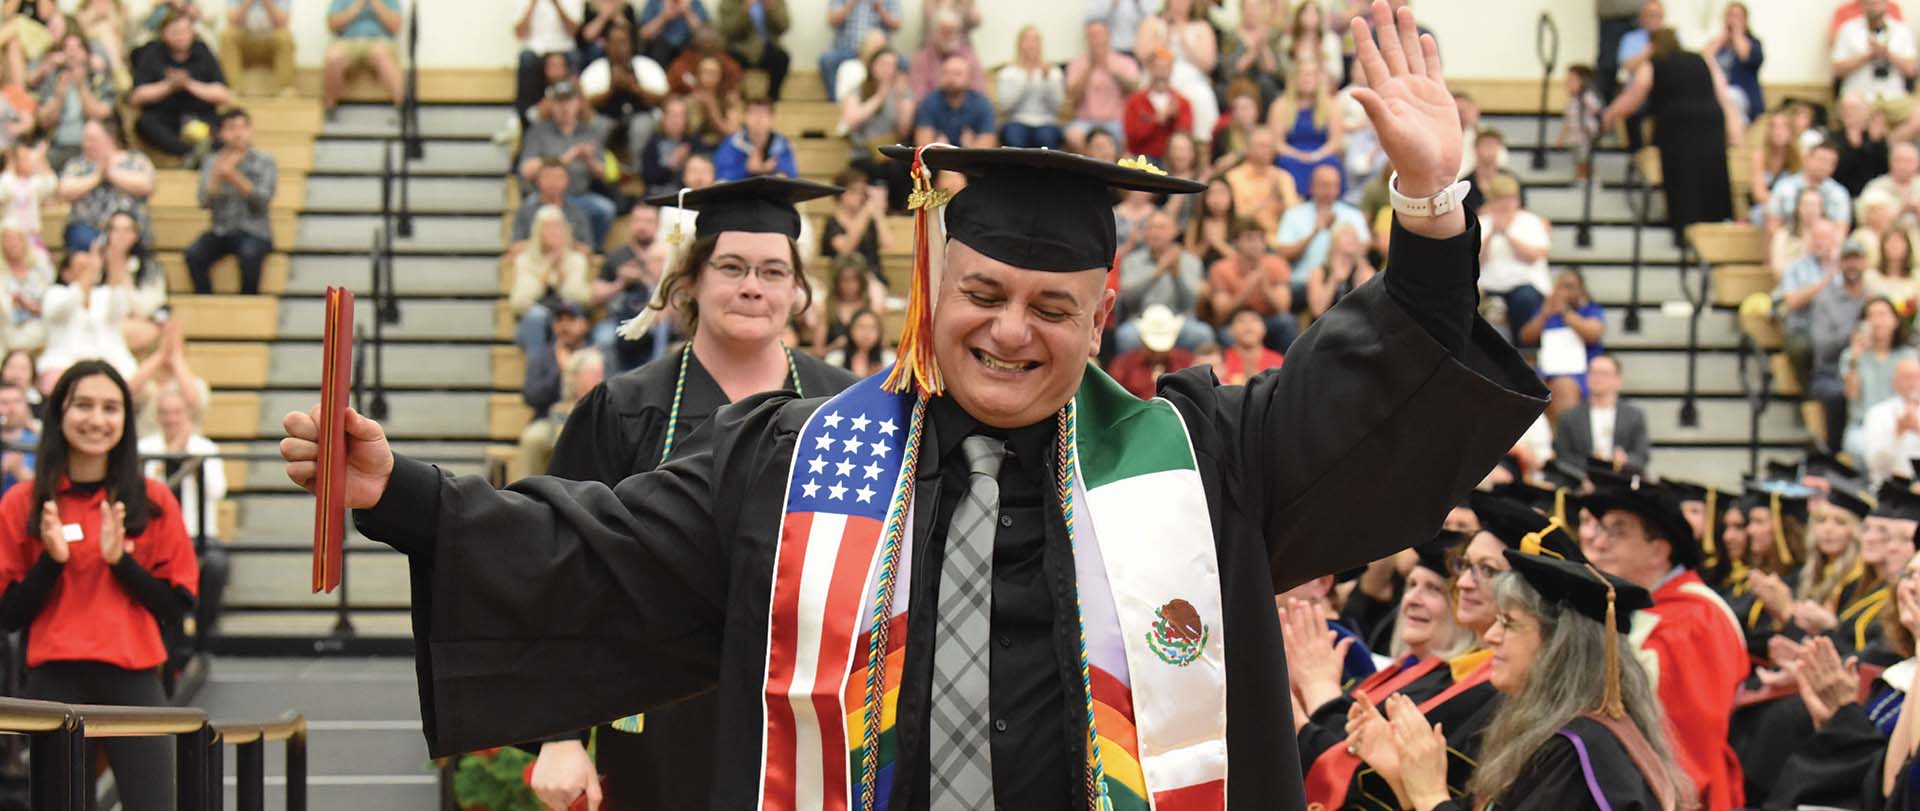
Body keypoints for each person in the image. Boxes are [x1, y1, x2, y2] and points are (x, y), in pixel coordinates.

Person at [279, 8, 1545, 809]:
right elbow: (606, 545)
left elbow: (1363, 395)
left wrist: (1431, 212)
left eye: (1052, 306)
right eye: (984, 291)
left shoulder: (1194, 460)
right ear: (930, 285)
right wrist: (402, 494)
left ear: (1103, 314)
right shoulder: (795, 458)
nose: (1010, 329)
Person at [527, 177, 859, 811]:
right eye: (731, 267)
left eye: (771, 271)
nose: (751, 286)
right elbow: (562, 566)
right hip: (656, 715)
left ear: (797, 290)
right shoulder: (624, 409)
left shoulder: (844, 409)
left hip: (803, 717)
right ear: (691, 279)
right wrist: (561, 733)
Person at [1347, 549, 1689, 811]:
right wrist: (1404, 778)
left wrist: (1431, 793)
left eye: (1508, 623)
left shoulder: (1576, 753)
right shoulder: (1558, 734)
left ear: (1558, 646)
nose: (1491, 636)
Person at [0, 361, 196, 811]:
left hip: (134, 681)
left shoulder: (153, 500)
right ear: (59, 414)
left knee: (155, 804)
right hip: (54, 682)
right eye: (83, 405)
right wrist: (51, 562)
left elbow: (176, 606)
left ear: (125, 421)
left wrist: (120, 563)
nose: (96, 419)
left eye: (110, 408)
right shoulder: (22, 504)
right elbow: (10, 617)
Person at [1583, 485, 1750, 810]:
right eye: (1602, 530)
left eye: (1617, 533)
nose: (1599, 543)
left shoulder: (1695, 622)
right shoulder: (1648, 609)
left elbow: (1689, 743)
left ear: (1658, 551)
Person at [1602, 27, 1735, 244]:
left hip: (1677, 124)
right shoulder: (1701, 59)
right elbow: (1722, 93)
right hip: (1710, 121)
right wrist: (1732, 128)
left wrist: (1611, 113)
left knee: (1682, 177)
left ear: (1653, 45)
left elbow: (1635, 96)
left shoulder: (1653, 64)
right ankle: (1715, 229)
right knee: (1711, 172)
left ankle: (1684, 229)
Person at [138, 382, 223, 647]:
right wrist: (168, 457)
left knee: (217, 568)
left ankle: (201, 639)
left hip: (199, 535)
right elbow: (143, 496)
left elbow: (217, 491)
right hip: (155, 537)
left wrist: (189, 461)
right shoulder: (145, 447)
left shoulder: (205, 448)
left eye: (176, 412)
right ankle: (165, 641)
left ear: (187, 414)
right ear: (157, 416)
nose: (171, 418)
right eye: (165, 412)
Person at [183, 110, 275, 296]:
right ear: (222, 133)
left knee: (249, 255)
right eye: (231, 128)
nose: (238, 134)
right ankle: (205, 300)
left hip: (254, 231)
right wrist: (218, 176)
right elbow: (203, 202)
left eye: (243, 127)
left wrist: (233, 176)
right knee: (193, 254)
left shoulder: (265, 161)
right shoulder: (212, 161)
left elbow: (262, 201)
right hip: (221, 230)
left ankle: (248, 301)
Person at [518, 81, 617, 250]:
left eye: (569, 101)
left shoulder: (589, 132)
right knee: (527, 208)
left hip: (579, 196)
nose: (564, 107)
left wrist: (589, 160)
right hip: (545, 197)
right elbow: (526, 170)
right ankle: (534, 251)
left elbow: (602, 173)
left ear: (577, 104)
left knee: (605, 209)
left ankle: (592, 253)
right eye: (559, 102)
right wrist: (566, 158)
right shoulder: (538, 132)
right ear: (552, 105)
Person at [124, 10, 225, 162]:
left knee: (225, 125)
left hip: (199, 116)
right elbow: (136, 97)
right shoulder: (151, 53)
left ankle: (199, 153)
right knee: (144, 123)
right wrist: (168, 86)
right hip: (163, 117)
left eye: (185, 31)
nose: (181, 36)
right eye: (175, 32)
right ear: (163, 33)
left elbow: (223, 94)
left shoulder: (203, 51)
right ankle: (191, 153)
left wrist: (188, 84)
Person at [1806, 238, 1875, 449]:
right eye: (1847, 259)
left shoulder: (1875, 298)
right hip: (1831, 372)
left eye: (1857, 259)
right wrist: (1852, 336)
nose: (1853, 264)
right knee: (1838, 394)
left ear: (1865, 263)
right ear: (1840, 264)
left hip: (1873, 368)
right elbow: (1821, 346)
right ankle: (1834, 454)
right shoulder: (1826, 300)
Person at [1116, 210, 1213, 352]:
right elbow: (1128, 298)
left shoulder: (1190, 261)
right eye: (1151, 227)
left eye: (1161, 228)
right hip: (1142, 321)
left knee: (1202, 334)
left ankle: (1196, 375)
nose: (1155, 233)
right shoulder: (1131, 260)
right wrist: (1157, 272)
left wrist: (1177, 275)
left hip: (1179, 321)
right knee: (1126, 336)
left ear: (1174, 231)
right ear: (1145, 233)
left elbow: (1191, 302)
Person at [1548, 354, 1649, 485]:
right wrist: (1591, 463)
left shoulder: (1634, 416)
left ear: (1618, 380)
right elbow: (1563, 456)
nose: (1597, 378)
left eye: (1603, 373)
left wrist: (1624, 459)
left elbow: (1641, 455)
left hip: (1622, 481)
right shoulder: (1569, 417)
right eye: (1593, 372)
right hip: (1581, 481)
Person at [1275, 164, 1367, 308]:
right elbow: (1282, 253)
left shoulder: (1353, 214)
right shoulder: (1294, 215)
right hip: (1302, 282)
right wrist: (1315, 232)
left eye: (1333, 185)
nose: (1329, 190)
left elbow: (1364, 248)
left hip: (1345, 279)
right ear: (1311, 186)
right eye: (1324, 185)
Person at [580, 25, 670, 171]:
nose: (620, 47)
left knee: (641, 127)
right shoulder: (596, 69)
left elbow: (663, 97)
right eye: (615, 42)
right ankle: (599, 170)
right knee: (596, 127)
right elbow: (586, 102)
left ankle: (637, 172)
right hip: (606, 116)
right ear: (607, 44)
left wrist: (635, 88)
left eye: (624, 42)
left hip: (641, 114)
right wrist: (611, 90)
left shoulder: (646, 65)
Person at [55, 121, 154, 254]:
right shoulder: (77, 164)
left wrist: (112, 174)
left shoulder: (135, 160)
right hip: (87, 228)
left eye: (92, 140)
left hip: (128, 229)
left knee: (128, 234)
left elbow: (146, 185)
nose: (86, 144)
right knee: (79, 237)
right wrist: (96, 178)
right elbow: (64, 190)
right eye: (85, 140)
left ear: (109, 139)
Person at [1475, 175, 1551, 344]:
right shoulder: (1481, 223)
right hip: (1489, 286)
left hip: (1524, 284)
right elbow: (1474, 261)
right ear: (1491, 201)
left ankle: (1524, 349)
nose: (1505, 204)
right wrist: (1492, 233)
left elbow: (1534, 256)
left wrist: (1507, 234)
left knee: (1524, 299)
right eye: (1500, 199)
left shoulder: (1530, 221)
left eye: (1510, 199)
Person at [510, 206, 594, 358]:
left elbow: (580, 298)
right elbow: (519, 302)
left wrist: (562, 275)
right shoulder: (524, 260)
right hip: (534, 325)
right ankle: (537, 372)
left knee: (571, 321)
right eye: (548, 227)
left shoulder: (576, 260)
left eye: (558, 227)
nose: (554, 232)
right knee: (536, 316)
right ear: (538, 232)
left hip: (565, 320)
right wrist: (546, 273)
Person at [37, 251, 132, 385]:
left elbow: (119, 310)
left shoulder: (103, 294)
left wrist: (115, 259)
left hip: (106, 364)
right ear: (66, 273)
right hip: (62, 365)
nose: (90, 272)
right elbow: (63, 307)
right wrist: (88, 275)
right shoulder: (55, 293)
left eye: (91, 267)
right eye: (82, 268)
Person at [1841, 298, 1917, 462]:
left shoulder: (1909, 356)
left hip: (1902, 421)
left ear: (1895, 321)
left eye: (1882, 315)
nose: (1877, 321)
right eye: (1871, 316)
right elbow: (1851, 394)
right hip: (1862, 425)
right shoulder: (1851, 356)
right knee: (1860, 448)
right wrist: (1855, 360)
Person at [1204, 216, 1295, 349]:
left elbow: (1283, 308)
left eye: (1261, 238)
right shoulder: (1221, 268)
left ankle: (1290, 368)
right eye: (1249, 238)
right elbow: (1221, 313)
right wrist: (1247, 288)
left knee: (1286, 322)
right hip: (1235, 322)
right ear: (1236, 242)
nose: (1256, 243)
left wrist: (1265, 287)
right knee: (1225, 334)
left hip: (1267, 320)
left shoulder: (1277, 264)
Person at [1270, 56, 1344, 198]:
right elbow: (1277, 143)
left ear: (1318, 79)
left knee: (1330, 163)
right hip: (1291, 154)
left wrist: (1316, 155)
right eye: (1303, 74)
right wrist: (1298, 155)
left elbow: (1335, 142)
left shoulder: (1331, 105)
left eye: (1311, 74)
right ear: (1294, 79)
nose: (1307, 79)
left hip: (1322, 154)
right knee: (1286, 164)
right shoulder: (1280, 105)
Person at [1063, 19, 1139, 152]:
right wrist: (1089, 69)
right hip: (1085, 122)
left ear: (1108, 36)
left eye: (1100, 35)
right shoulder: (1077, 64)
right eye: (1092, 36)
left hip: (1116, 122)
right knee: (1073, 135)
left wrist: (1111, 69)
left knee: (1128, 136)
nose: (1096, 40)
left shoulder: (1125, 62)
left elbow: (1134, 90)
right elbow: (1071, 96)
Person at [320, 0, 403, 117]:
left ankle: (402, 108)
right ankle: (329, 109)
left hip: (379, 40)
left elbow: (396, 27)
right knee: (333, 57)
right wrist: (357, 5)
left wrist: (376, 3)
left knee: (381, 54)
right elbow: (332, 25)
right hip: (348, 41)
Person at [1834, 0, 1917, 106]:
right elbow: (1837, 69)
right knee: (1851, 105)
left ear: (1886, 4)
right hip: (1858, 95)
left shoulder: (1901, 30)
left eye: (1877, 3)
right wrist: (1868, 55)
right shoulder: (1849, 29)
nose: (1873, 6)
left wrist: (1886, 53)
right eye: (1869, 3)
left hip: (1894, 96)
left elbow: (1911, 70)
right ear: (1862, 5)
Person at [512, 0, 577, 135]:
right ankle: (523, 117)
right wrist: (532, 4)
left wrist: (557, 4)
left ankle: (577, 116)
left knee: (576, 58)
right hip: (536, 50)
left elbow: (574, 30)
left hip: (564, 48)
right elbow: (519, 33)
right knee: (526, 59)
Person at [1105, 303, 1196, 399]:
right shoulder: (1123, 365)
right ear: (1142, 341)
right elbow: (1113, 399)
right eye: (1152, 349)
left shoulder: (1187, 363)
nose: (1158, 353)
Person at [817, 0, 900, 103]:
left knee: (903, 62)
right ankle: (836, 104)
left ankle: (888, 104)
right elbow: (832, 22)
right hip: (847, 49)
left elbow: (897, 25)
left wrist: (880, 9)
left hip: (879, 52)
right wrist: (850, 4)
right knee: (827, 60)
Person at [996, 26, 1064, 151]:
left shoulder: (1053, 72)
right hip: (1016, 121)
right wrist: (1025, 79)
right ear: (1019, 44)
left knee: (1046, 139)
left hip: (1046, 122)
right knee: (1014, 137)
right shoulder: (1008, 72)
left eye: (1035, 40)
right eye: (1027, 40)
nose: (1031, 45)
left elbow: (1058, 107)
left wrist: (1047, 80)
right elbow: (1005, 106)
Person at [1769, 140, 1855, 233]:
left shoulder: (1839, 193)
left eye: (1830, 163)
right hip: (1789, 242)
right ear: (1807, 159)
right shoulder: (1784, 187)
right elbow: (1773, 226)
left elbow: (1841, 230)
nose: (1824, 166)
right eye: (1821, 160)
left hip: (1826, 244)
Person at [1225, 128, 1300, 234]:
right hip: (1245, 239)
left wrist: (1282, 202)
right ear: (1247, 148)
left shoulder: (1283, 177)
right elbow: (1235, 217)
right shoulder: (1233, 178)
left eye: (1270, 146)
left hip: (1279, 241)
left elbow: (1295, 215)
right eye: (1261, 145)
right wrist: (1267, 201)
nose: (1267, 150)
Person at [912, 54, 995, 149]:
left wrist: (970, 147)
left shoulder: (982, 105)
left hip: (972, 162)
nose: (950, 79)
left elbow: (987, 147)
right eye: (946, 73)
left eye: (957, 74)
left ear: (969, 78)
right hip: (937, 162)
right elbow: (923, 145)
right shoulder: (929, 102)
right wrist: (938, 149)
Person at [1121, 48, 1190, 163]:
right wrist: (1158, 120)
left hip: (1172, 162)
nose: (1162, 71)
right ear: (1150, 68)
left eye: (1166, 67)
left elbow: (1185, 138)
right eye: (1158, 66)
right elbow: (1132, 137)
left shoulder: (1182, 102)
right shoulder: (1135, 101)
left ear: (1171, 70)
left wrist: (1174, 117)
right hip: (1142, 158)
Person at [821, 169, 889, 282]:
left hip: (872, 277)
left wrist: (878, 213)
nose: (860, 196)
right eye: (854, 191)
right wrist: (866, 211)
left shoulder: (869, 220)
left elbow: (888, 245)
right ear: (841, 193)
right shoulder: (832, 223)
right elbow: (845, 249)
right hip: (844, 279)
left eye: (863, 192)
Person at [510, 159, 594, 249]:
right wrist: (542, 241)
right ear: (538, 180)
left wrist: (563, 241)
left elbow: (588, 251)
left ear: (567, 180)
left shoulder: (577, 212)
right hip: (535, 260)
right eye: (548, 177)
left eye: (558, 177)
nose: (553, 182)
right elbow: (515, 248)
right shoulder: (525, 211)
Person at [1863, 357, 1920, 485]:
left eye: (1917, 377)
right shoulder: (1878, 413)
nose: (1913, 383)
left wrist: (1917, 428)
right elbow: (1874, 464)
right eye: (1907, 377)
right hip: (1893, 489)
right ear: (1895, 382)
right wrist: (1898, 433)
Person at [1704, 2, 1764, 122]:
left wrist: (1737, 32)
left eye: (1737, 16)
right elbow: (1702, 60)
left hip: (1742, 97)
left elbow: (1745, 56)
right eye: (1729, 16)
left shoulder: (1753, 43)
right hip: (1716, 96)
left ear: (1745, 20)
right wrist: (1722, 37)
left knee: (1730, 96)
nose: (1732, 20)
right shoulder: (1717, 44)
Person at [711, 98, 796, 182]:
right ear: (745, 117)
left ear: (772, 118)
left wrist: (774, 173)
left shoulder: (782, 145)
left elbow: (789, 176)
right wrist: (746, 169)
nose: (758, 119)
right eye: (753, 113)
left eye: (764, 114)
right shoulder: (732, 143)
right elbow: (721, 177)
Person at [718, 0, 788, 102]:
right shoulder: (728, 3)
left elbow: (784, 27)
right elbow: (730, 30)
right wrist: (745, 10)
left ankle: (772, 98)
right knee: (727, 59)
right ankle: (735, 98)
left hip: (767, 48)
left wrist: (771, 8)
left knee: (782, 58)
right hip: (740, 49)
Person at [1303, 220, 1375, 320]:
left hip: (1354, 327)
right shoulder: (1319, 272)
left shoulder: (1364, 271)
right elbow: (1317, 310)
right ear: (1334, 241)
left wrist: (1361, 279)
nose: (1352, 239)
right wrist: (1334, 279)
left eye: (1355, 236)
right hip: (1324, 328)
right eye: (1346, 235)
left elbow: (1370, 309)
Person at [906, 9, 982, 99]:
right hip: (931, 110)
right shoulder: (921, 58)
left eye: (955, 31)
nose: (951, 35)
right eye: (946, 31)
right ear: (934, 33)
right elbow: (917, 94)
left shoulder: (969, 56)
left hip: (966, 111)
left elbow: (978, 92)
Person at [0, 220, 48, 354]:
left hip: (40, 327)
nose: (12, 244)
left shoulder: (39, 271)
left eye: (16, 239)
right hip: (8, 330)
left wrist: (28, 305)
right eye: (7, 239)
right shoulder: (2, 275)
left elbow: (50, 305)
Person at [1834, 93, 1892, 198]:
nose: (1849, 113)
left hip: (1876, 194)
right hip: (1845, 195)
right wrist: (1854, 148)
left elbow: (1885, 170)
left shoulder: (1876, 137)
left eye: (1854, 109)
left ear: (1866, 111)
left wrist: (1877, 144)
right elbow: (1835, 173)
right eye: (1845, 109)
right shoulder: (1834, 137)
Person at [1751, 111, 1804, 224]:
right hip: (1766, 206)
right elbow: (1759, 192)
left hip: (1792, 206)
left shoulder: (1799, 158)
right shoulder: (1761, 156)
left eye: (1784, 127)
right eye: (1774, 127)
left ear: (1791, 131)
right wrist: (1778, 206)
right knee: (1770, 213)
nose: (1778, 132)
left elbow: (1802, 189)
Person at [0, 140, 54, 246]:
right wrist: (10, 167)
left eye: (29, 157)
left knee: (41, 261)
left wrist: (41, 160)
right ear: (14, 161)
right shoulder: (7, 180)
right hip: (10, 237)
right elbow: (3, 192)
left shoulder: (34, 182)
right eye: (24, 158)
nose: (30, 161)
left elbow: (51, 184)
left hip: (32, 235)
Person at [1217, 307, 1283, 385]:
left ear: (1264, 329)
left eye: (1254, 320)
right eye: (1241, 321)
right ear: (1230, 330)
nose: (1248, 325)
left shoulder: (1278, 362)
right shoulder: (1219, 362)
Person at [637, 0, 710, 67]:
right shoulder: (654, 3)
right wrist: (663, 17)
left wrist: (687, 13)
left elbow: (704, 35)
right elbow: (644, 34)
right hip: (659, 49)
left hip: (687, 48)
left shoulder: (695, 3)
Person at [823, 308, 893, 378]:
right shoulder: (836, 358)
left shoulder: (889, 360)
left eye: (872, 328)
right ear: (851, 330)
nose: (866, 333)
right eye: (861, 327)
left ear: (879, 332)